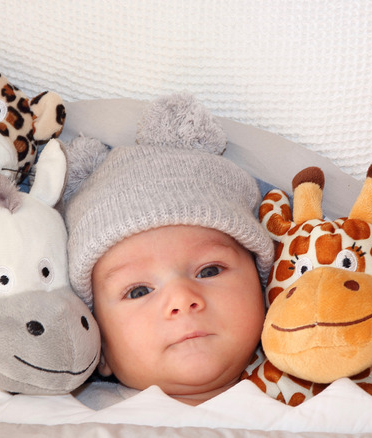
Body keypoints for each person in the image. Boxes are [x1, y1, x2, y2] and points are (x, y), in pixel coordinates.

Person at [63, 94, 276, 408]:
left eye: (209, 270)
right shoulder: (66, 418)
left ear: (263, 289)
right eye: (138, 291)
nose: (181, 299)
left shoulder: (323, 406)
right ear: (100, 346)